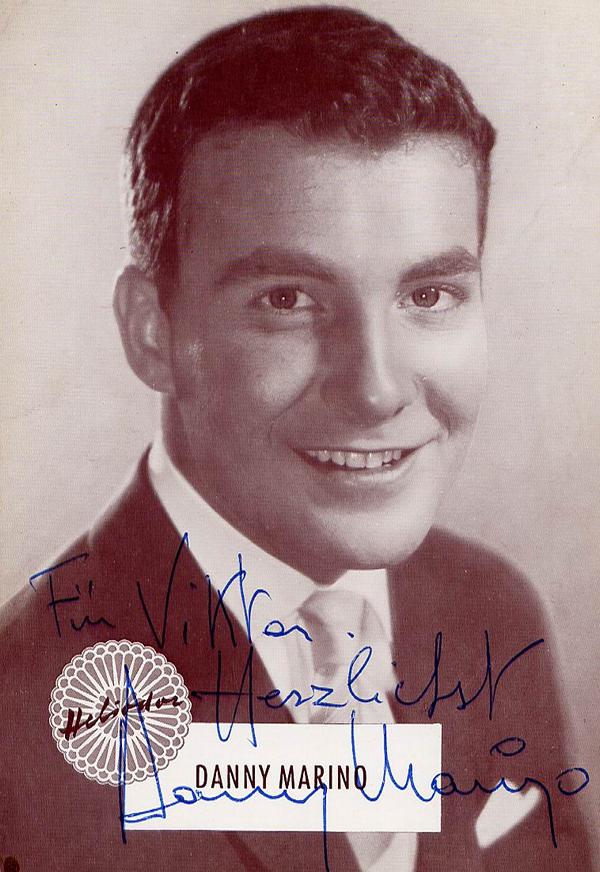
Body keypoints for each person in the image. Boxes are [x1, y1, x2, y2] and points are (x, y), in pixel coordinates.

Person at [0, 6, 593, 870]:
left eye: (428, 295)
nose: (377, 389)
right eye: (288, 300)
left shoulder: (492, 615)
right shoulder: (20, 718)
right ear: (153, 332)